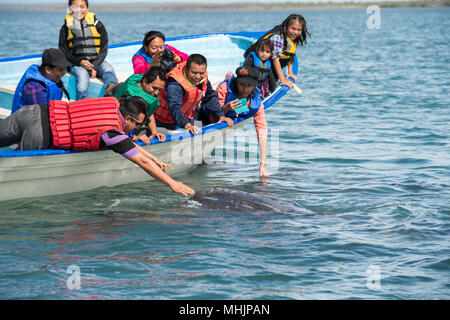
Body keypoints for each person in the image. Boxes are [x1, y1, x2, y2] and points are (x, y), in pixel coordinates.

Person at [0, 96, 195, 196]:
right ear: (127, 118)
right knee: (11, 170)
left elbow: (137, 150)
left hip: (32, 111)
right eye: (137, 124)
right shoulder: (112, 133)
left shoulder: (112, 103)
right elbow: (141, 161)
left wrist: (156, 158)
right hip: (41, 132)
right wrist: (172, 183)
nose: (138, 128)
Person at [153, 54, 234, 134]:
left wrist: (221, 115)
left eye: (201, 73)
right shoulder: (174, 84)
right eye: (194, 73)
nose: (198, 77)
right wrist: (187, 125)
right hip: (165, 120)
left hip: (188, 115)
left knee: (202, 128)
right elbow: (174, 108)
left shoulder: (202, 78)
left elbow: (209, 96)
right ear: (187, 69)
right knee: (193, 132)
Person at [59, 0, 118, 100]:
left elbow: (104, 48)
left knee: (108, 70)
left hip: (97, 61)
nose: (79, 10)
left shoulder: (97, 25)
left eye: (82, 7)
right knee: (82, 82)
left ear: (87, 8)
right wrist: (80, 62)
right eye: (75, 7)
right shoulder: (65, 28)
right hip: (77, 63)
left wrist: (95, 66)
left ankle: (113, 98)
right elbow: (63, 51)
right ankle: (81, 108)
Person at [215, 69, 269, 176]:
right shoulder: (224, 89)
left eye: (249, 85)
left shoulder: (256, 102)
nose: (245, 89)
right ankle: (228, 76)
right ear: (236, 83)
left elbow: (262, 129)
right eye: (241, 84)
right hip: (213, 113)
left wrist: (263, 163)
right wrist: (226, 108)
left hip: (237, 112)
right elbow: (212, 113)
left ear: (254, 86)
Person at [244, 14, 310, 92]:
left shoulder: (293, 37)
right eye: (293, 29)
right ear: (286, 27)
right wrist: (283, 80)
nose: (295, 32)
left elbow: (291, 53)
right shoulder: (278, 38)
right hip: (257, 61)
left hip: (270, 60)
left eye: (299, 30)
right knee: (268, 85)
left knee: (273, 80)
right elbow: (275, 60)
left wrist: (290, 72)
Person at [113, 66, 167, 144]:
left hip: (134, 123)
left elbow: (148, 113)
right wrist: (134, 137)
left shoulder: (140, 81)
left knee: (161, 132)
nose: (156, 93)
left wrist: (154, 132)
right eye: (154, 88)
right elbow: (125, 122)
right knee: (164, 131)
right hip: (121, 128)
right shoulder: (131, 95)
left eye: (160, 90)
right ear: (145, 81)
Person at [12, 48, 71, 113]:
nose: (64, 72)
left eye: (65, 69)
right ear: (47, 70)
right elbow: (42, 115)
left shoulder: (52, 79)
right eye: (60, 70)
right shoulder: (35, 87)